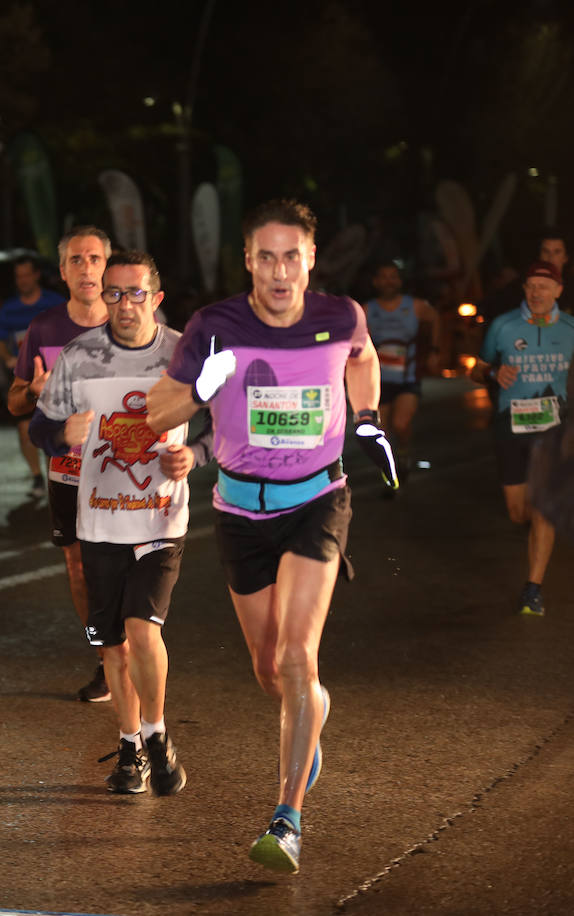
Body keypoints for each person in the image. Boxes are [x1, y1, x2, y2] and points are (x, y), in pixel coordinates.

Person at [147, 199, 398, 874]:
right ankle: (309, 717)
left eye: (293, 256)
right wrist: (201, 383)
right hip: (238, 511)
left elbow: (364, 355)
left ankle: (286, 818)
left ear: (311, 260)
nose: (280, 270)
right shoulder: (214, 325)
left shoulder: (339, 315)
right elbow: (155, 413)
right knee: (271, 672)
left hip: (317, 501)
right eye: (266, 256)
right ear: (248, 261)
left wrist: (368, 413)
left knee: (294, 656)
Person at [29, 250, 208, 796]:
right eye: (114, 293)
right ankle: (131, 746)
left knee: (142, 627)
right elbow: (40, 427)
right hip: (99, 524)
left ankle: (157, 736)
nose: (124, 305)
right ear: (102, 297)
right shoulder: (79, 356)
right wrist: (63, 434)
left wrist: (195, 456)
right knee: (112, 644)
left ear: (156, 298)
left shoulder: (184, 355)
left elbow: (226, 427)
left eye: (135, 294)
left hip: (160, 519)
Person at [7, 227, 121, 705]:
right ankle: (104, 661)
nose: (87, 268)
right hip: (68, 472)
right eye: (77, 260)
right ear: (63, 271)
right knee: (78, 570)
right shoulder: (45, 328)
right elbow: (13, 402)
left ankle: (134, 650)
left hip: (124, 473)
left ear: (108, 267)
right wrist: (33, 392)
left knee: (126, 568)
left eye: (95, 259)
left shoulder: (132, 322)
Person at [469, 260, 574, 617]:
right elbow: (476, 369)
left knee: (543, 507)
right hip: (510, 425)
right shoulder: (503, 326)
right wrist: (495, 372)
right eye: (530, 286)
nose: (536, 293)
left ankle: (533, 588)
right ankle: (534, 529)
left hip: (553, 429)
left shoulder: (571, 328)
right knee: (518, 512)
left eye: (544, 287)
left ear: (559, 290)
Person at [364, 262, 441, 485]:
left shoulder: (415, 306)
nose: (388, 281)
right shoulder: (368, 309)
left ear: (400, 281)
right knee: (383, 431)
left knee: (401, 424)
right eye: (384, 277)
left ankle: (405, 453)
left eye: (393, 277)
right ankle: (390, 470)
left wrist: (435, 350)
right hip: (379, 380)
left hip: (407, 378)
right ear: (376, 282)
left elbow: (435, 318)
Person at [0, 256, 66, 498]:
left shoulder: (55, 303)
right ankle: (37, 478)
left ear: (36, 275)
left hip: (55, 380)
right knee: (24, 430)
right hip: (25, 379)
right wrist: (8, 359)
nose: (23, 281)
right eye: (18, 277)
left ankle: (55, 482)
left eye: (27, 275)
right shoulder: (10, 308)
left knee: (52, 430)